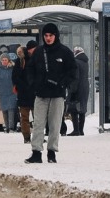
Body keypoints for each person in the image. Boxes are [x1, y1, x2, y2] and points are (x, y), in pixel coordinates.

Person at [25, 22, 76, 164]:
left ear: (56, 36)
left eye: (51, 35)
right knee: (38, 123)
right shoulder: (38, 52)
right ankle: (36, 152)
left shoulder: (65, 52)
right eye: (46, 35)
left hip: (57, 94)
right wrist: (34, 84)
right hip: (41, 93)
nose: (48, 38)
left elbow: (72, 71)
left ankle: (52, 152)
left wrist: (63, 83)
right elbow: (30, 69)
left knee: (55, 124)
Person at [13, 42, 36, 142]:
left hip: (22, 94)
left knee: (24, 118)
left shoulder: (18, 62)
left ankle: (26, 137)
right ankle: (38, 137)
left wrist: (20, 86)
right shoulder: (34, 61)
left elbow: (15, 77)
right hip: (34, 94)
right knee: (38, 118)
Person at [0, 51, 18, 133]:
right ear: (1, 61)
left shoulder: (12, 69)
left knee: (11, 110)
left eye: (6, 60)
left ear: (9, 60)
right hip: (2, 93)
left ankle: (11, 127)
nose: (4, 61)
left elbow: (17, 79)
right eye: (3, 60)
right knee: (5, 110)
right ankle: (7, 127)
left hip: (12, 93)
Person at [66, 45, 90, 136]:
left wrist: (72, 90)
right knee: (82, 108)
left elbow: (75, 77)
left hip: (78, 87)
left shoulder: (76, 62)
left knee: (74, 108)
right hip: (85, 87)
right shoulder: (85, 62)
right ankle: (81, 130)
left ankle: (76, 130)